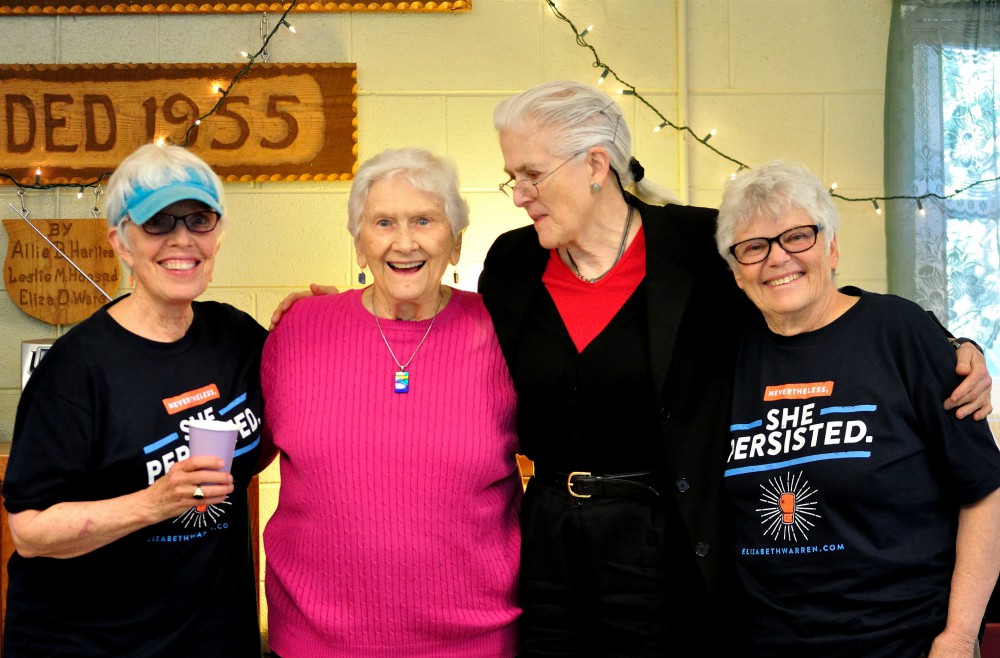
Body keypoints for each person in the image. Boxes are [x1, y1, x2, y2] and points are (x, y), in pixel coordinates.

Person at [269, 80, 993, 657]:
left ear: (594, 164)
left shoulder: (698, 248)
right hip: (549, 533)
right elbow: (444, 339)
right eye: (510, 175)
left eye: (529, 173)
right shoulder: (513, 264)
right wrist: (341, 314)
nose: (516, 192)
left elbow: (802, 301)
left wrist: (948, 346)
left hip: (663, 534)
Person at [715, 160, 1000, 658]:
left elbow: (985, 491)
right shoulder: (724, 357)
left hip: (903, 641)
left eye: (798, 236)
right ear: (737, 273)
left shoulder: (899, 332)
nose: (778, 258)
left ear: (832, 247)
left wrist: (958, 636)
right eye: (754, 247)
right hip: (764, 645)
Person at [2, 143, 267, 657]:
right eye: (158, 224)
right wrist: (154, 503)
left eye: (199, 219)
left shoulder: (237, 337)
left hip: (211, 637)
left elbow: (280, 426)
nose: (182, 239)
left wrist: (323, 318)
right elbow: (30, 531)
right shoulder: (76, 370)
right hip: (95, 643)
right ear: (121, 243)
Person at [261, 147, 520, 657]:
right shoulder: (297, 330)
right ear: (360, 244)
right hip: (315, 642)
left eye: (424, 220)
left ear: (456, 241)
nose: (404, 242)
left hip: (475, 642)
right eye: (383, 222)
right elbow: (239, 458)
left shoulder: (505, 330)